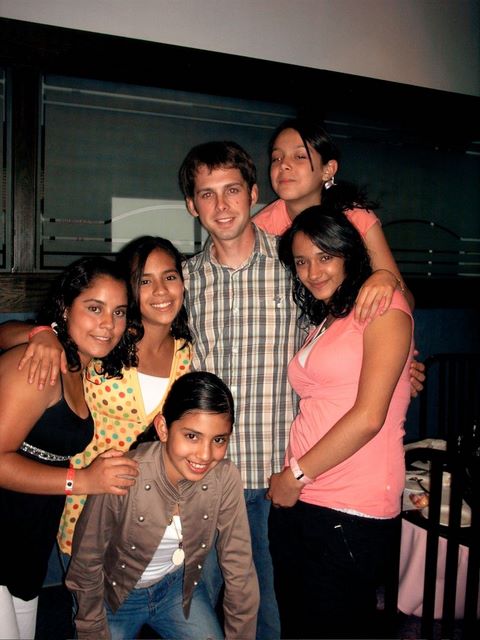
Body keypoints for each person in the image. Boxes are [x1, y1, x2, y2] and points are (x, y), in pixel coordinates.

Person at [267, 205, 414, 639]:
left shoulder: (385, 305)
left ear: (348, 252)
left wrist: (295, 475)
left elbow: (369, 416)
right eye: (301, 261)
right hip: (307, 499)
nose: (313, 271)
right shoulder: (329, 316)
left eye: (325, 256)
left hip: (349, 505)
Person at [0, 237, 193, 563]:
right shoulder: (89, 352)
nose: (160, 290)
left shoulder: (186, 354)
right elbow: (8, 337)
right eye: (145, 281)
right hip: (78, 511)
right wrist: (40, 333)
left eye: (170, 276)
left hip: (142, 519)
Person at [0, 257, 139, 640]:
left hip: (27, 541)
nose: (108, 324)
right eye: (94, 308)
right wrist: (83, 480)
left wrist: (39, 332)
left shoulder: (77, 366)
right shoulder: (38, 367)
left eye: (118, 312)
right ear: (65, 308)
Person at [65, 371, 259, 640]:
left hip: (176, 590)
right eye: (192, 436)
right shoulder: (123, 476)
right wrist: (92, 630)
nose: (205, 455)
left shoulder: (225, 477)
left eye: (218, 440)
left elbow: (239, 568)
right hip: (115, 596)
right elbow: (86, 565)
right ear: (163, 428)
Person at [253, 116, 417, 323]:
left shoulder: (354, 217)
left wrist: (387, 279)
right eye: (276, 158)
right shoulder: (260, 229)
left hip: (360, 329)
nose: (284, 165)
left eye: (300, 156)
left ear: (328, 169)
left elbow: (406, 301)